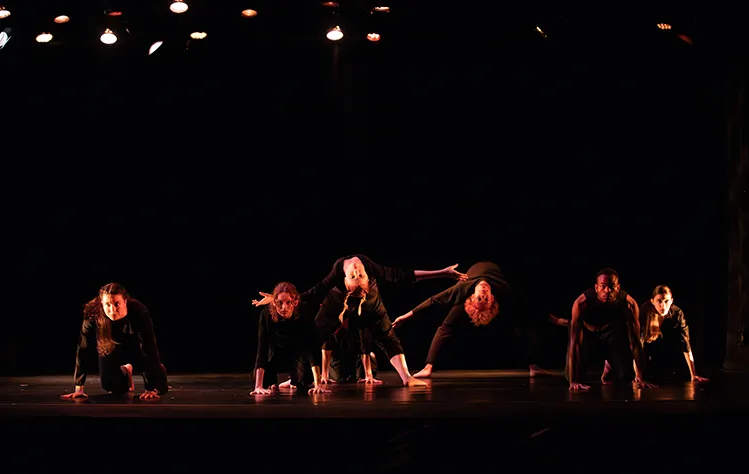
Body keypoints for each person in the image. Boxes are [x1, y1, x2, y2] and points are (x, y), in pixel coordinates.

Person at [253, 254, 467, 386]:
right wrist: (276, 299)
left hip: (370, 297)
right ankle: (299, 378)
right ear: (345, 280)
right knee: (315, 334)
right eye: (356, 276)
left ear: (368, 278)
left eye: (358, 275)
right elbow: (312, 293)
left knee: (385, 332)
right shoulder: (347, 277)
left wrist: (442, 273)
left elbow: (404, 275)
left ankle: (406, 377)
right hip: (338, 299)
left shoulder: (358, 274)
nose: (356, 272)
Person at [391, 261, 555, 377]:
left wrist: (405, 317)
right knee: (519, 321)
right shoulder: (502, 290)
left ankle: (428, 367)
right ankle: (428, 368)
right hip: (493, 275)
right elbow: (527, 306)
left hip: (469, 285)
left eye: (480, 300)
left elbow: (434, 300)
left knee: (445, 327)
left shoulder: (463, 289)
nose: (483, 295)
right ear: (492, 298)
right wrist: (558, 320)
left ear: (472, 298)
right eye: (485, 299)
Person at [60, 282, 168, 401]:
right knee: (111, 386)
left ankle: (159, 370)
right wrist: (79, 387)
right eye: (107, 304)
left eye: (117, 304)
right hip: (110, 346)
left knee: (160, 388)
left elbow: (149, 346)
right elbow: (83, 348)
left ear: (125, 302)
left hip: (136, 347)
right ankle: (126, 371)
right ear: (102, 303)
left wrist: (150, 387)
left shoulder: (138, 311)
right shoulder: (93, 313)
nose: (112, 310)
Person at [567, 268, 655, 391]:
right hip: (588, 334)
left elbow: (635, 342)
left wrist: (642, 378)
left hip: (611, 335)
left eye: (612, 287)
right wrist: (574, 381)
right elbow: (574, 343)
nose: (607, 291)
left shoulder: (629, 304)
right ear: (596, 288)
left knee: (625, 377)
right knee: (575, 375)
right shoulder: (582, 303)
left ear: (618, 288)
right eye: (603, 287)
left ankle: (609, 364)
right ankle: (581, 374)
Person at [250, 281, 331, 396]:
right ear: (274, 303)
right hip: (277, 347)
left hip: (298, 347)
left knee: (304, 381)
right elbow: (262, 348)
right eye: (279, 303)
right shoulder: (266, 315)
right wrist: (258, 386)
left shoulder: (304, 313)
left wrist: (318, 384)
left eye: (288, 303)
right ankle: (275, 381)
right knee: (259, 378)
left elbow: (311, 348)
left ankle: (294, 379)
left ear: (295, 302)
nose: (284, 308)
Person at [637, 285, 708, 383]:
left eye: (666, 301)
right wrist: (638, 376)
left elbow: (685, 342)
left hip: (665, 352)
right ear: (652, 301)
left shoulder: (677, 313)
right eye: (659, 301)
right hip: (645, 353)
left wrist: (693, 374)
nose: (663, 305)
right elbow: (637, 345)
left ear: (671, 301)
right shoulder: (644, 312)